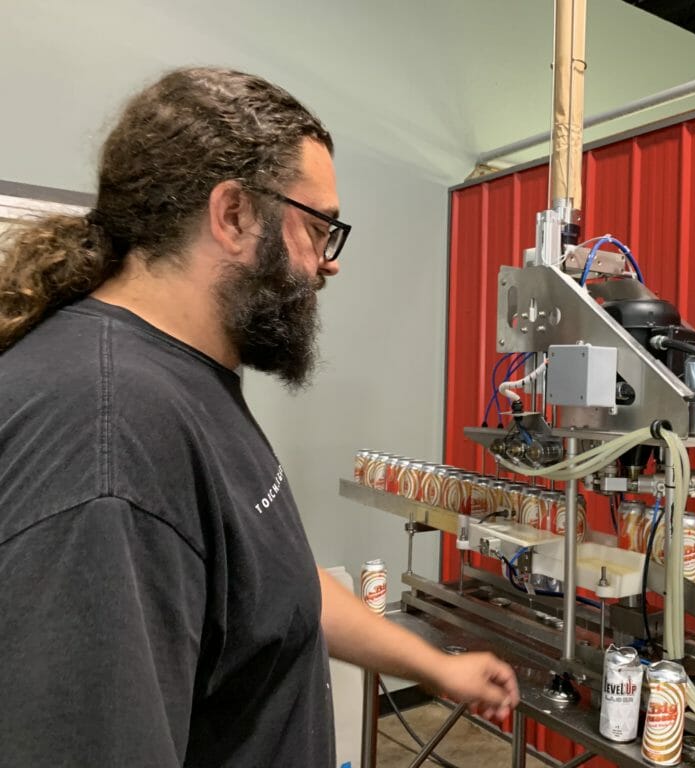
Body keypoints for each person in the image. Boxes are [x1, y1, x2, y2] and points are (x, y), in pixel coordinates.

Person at [0, 67, 519, 767]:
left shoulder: (185, 379)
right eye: (317, 228)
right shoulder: (113, 436)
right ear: (235, 214)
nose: (326, 265)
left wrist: (432, 664)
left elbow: (269, 581)